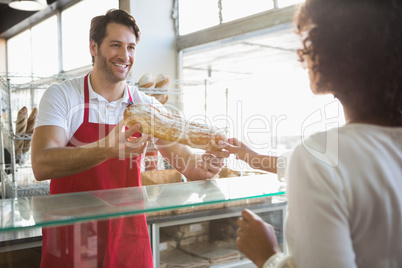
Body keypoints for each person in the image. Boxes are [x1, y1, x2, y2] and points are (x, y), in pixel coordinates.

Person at [31, 9, 227, 268]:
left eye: (131, 47)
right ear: (93, 47)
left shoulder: (146, 105)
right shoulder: (63, 96)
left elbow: (189, 166)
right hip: (73, 235)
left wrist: (206, 167)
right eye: (115, 45)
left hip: (127, 235)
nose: (125, 55)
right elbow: (42, 164)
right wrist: (106, 148)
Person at [224, 0, 402, 267]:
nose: (303, 53)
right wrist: (249, 156)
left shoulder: (318, 157)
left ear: (343, 50)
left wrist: (268, 256)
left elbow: (323, 166)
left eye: (310, 39)